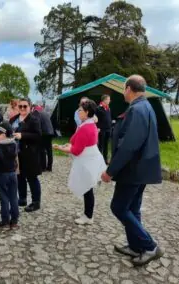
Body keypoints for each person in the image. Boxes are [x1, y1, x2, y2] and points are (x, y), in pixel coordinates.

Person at [101, 75, 164, 267]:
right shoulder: (146, 107)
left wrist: (110, 171)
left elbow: (129, 145)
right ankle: (136, 246)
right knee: (132, 208)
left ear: (128, 88)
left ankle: (150, 246)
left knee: (118, 207)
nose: (123, 92)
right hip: (140, 169)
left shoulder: (137, 109)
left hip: (133, 170)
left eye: (123, 88)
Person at [54, 100, 106, 225]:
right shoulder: (88, 124)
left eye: (80, 110)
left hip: (86, 161)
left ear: (87, 112)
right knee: (87, 188)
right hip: (88, 159)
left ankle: (88, 216)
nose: (78, 112)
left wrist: (60, 148)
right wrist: (69, 144)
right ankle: (87, 212)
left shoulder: (86, 127)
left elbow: (76, 151)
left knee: (87, 188)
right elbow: (78, 142)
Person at [10, 98, 42, 212]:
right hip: (16, 153)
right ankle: (22, 198)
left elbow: (38, 136)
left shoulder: (34, 119)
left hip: (30, 153)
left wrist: (22, 135)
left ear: (30, 107)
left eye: (25, 106)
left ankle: (35, 202)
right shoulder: (14, 118)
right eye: (20, 106)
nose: (22, 108)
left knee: (32, 177)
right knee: (19, 176)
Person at [0, 122, 19, 229]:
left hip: (1, 176)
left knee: (4, 199)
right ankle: (15, 220)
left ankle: (5, 220)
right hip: (13, 174)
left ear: (3, 134)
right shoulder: (14, 144)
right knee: (13, 197)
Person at [33, 104, 54, 172]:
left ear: (33, 108)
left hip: (44, 133)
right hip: (50, 132)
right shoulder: (45, 112)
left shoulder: (36, 112)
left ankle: (43, 167)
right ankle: (49, 167)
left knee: (42, 150)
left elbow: (37, 123)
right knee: (49, 150)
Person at [96, 95, 112, 164]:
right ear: (104, 100)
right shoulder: (98, 108)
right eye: (108, 99)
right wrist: (97, 127)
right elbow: (95, 119)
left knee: (106, 145)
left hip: (108, 129)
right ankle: (98, 160)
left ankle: (105, 160)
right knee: (101, 145)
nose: (109, 101)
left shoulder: (108, 108)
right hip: (101, 129)